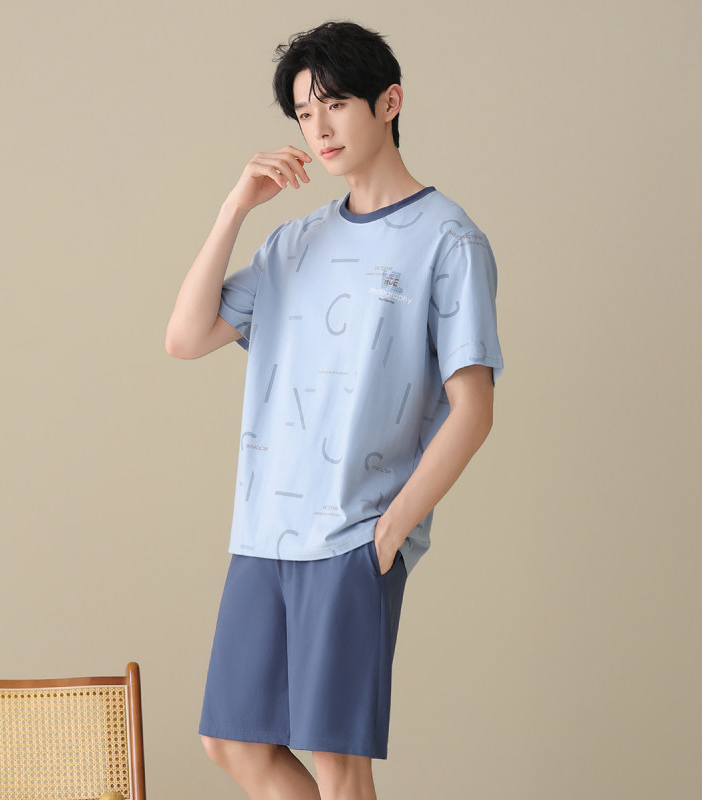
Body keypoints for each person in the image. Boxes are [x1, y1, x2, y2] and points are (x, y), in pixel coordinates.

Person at [165, 19, 504, 800]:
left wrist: (391, 531)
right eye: (303, 113)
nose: (318, 129)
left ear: (389, 102)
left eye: (336, 105)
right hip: (263, 533)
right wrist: (236, 206)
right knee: (231, 741)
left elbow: (474, 409)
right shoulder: (293, 244)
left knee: (336, 761)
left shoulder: (448, 241)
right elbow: (184, 338)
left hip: (353, 536)